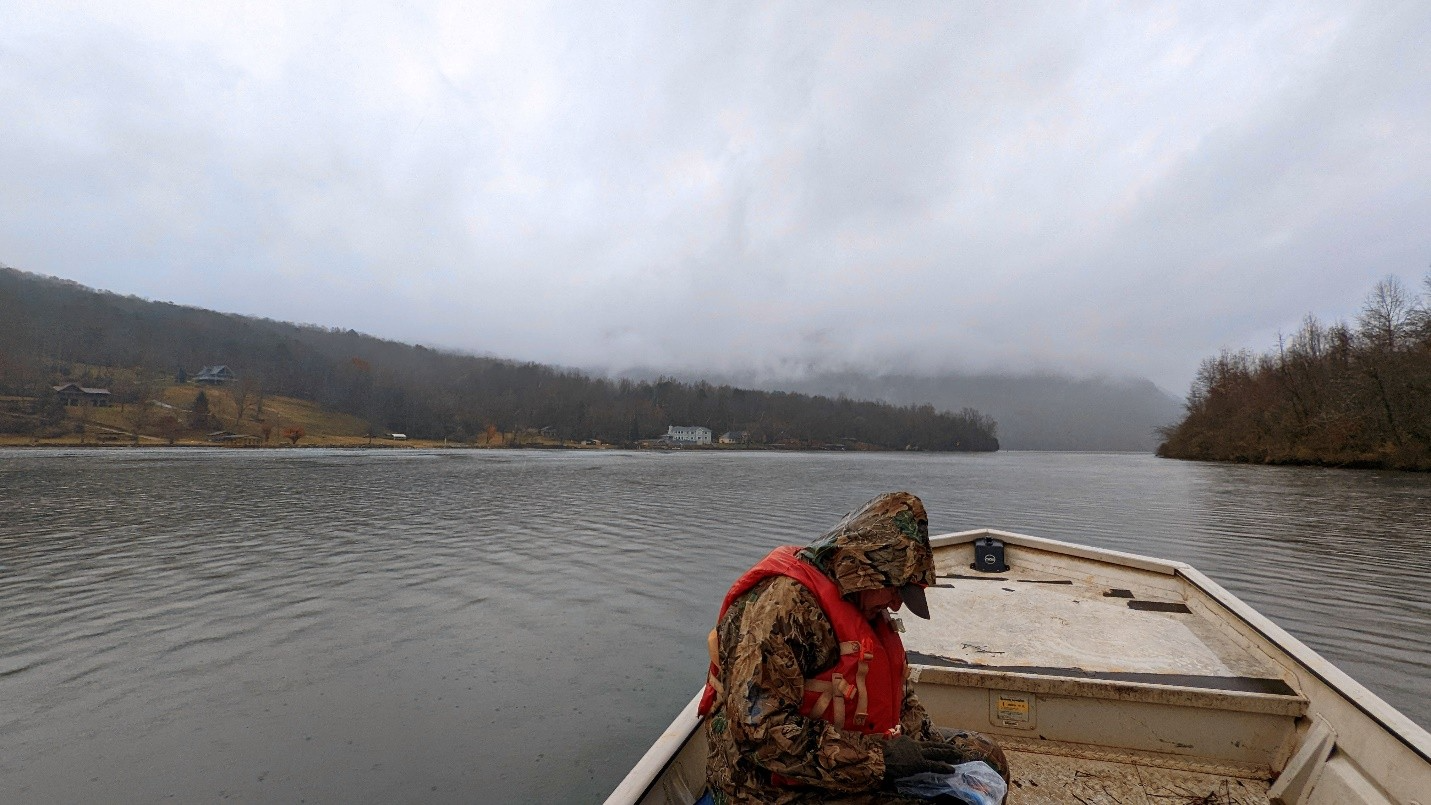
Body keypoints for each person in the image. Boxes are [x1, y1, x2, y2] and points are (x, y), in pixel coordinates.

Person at [699, 492, 1008, 804]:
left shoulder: (864, 601)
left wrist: (920, 744)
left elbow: (895, 694)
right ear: (864, 569)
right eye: (895, 590)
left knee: (985, 758)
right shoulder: (780, 610)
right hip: (766, 788)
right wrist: (881, 759)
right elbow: (761, 735)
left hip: (853, 758)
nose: (897, 604)